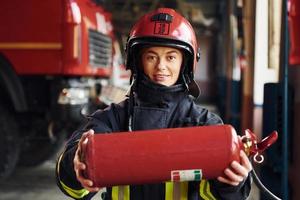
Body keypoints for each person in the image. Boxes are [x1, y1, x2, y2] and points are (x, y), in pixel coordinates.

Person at [56, 8, 252, 200]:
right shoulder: (111, 119)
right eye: (151, 57)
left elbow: (223, 195)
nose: (161, 66)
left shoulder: (205, 125)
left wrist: (232, 183)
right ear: (138, 61)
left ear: (185, 63)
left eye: (171, 57)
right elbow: (72, 186)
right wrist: (76, 163)